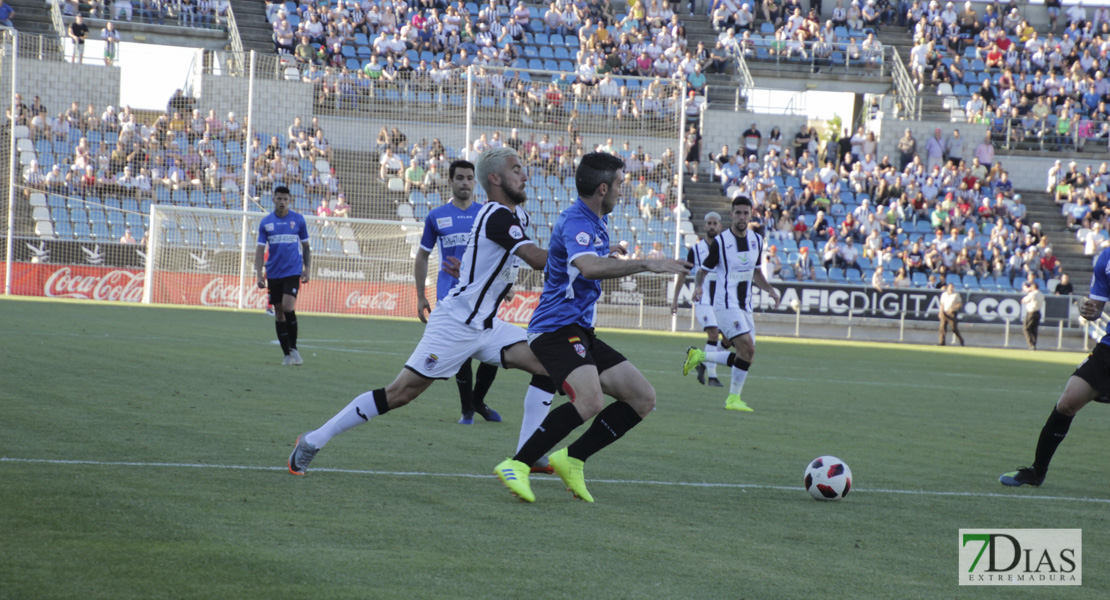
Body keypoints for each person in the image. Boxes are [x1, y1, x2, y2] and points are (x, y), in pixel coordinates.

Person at [289, 147, 556, 477]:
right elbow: (538, 259)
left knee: (549, 365)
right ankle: (313, 440)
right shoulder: (496, 216)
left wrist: (497, 283)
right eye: (517, 169)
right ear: (496, 179)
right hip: (456, 323)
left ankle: (529, 453)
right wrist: (584, 253)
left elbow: (495, 263)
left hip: (486, 325)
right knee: (400, 393)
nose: (525, 175)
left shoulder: (518, 217)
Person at [493, 152, 690, 504]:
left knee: (642, 397)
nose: (621, 191)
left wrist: (609, 250)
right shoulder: (577, 220)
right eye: (619, 185)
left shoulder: (592, 222)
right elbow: (588, 267)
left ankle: (572, 458)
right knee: (589, 399)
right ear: (603, 188)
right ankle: (517, 464)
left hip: (580, 330)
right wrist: (645, 263)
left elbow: (585, 257)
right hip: (554, 328)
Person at [1000, 246, 1110, 487]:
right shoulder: (1106, 257)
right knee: (1067, 403)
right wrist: (1088, 310)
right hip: (1108, 350)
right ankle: (1037, 472)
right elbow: (1096, 309)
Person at [415, 160, 504, 426]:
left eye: (469, 178)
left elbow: (505, 253)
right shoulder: (436, 216)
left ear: (474, 182)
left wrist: (505, 284)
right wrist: (421, 294)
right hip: (450, 297)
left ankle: (477, 400)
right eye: (460, 178)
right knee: (461, 355)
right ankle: (468, 410)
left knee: (496, 351)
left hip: (485, 297)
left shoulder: (487, 214)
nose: (465, 182)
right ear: (451, 181)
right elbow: (422, 256)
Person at [684, 196, 782, 412]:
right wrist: (698, 286)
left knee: (746, 355)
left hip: (745, 305)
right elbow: (703, 270)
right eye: (738, 213)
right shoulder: (721, 241)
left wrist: (771, 291)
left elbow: (756, 272)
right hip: (725, 304)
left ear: (750, 215)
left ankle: (700, 357)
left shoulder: (757, 240)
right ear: (731, 215)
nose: (741, 217)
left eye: (745, 213)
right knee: (747, 347)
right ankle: (731, 399)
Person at [254, 185, 311, 366]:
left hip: (292, 271)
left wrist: (307, 268)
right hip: (273, 272)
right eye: (279, 199)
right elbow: (259, 249)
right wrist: (259, 274)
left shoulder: (298, 220)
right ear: (273, 200)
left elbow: (306, 247)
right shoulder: (266, 223)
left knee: (288, 307)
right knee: (279, 314)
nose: (282, 202)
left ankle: (294, 348)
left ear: (290, 201)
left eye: (285, 199)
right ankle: (287, 354)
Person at [671, 212, 724, 388]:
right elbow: (682, 274)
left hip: (722, 300)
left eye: (714, 223)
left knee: (730, 339)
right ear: (704, 226)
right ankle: (713, 377)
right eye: (709, 223)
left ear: (720, 227)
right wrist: (675, 299)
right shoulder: (696, 250)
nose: (711, 226)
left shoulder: (725, 249)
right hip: (703, 299)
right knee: (714, 334)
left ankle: (700, 358)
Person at [1022, 277, 1044, 351]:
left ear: (1033, 287)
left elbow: (1025, 300)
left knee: (1026, 328)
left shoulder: (1032, 294)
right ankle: (1034, 344)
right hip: (1038, 312)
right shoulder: (1041, 294)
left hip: (1031, 313)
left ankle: (1030, 344)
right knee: (1034, 329)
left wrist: (1024, 299)